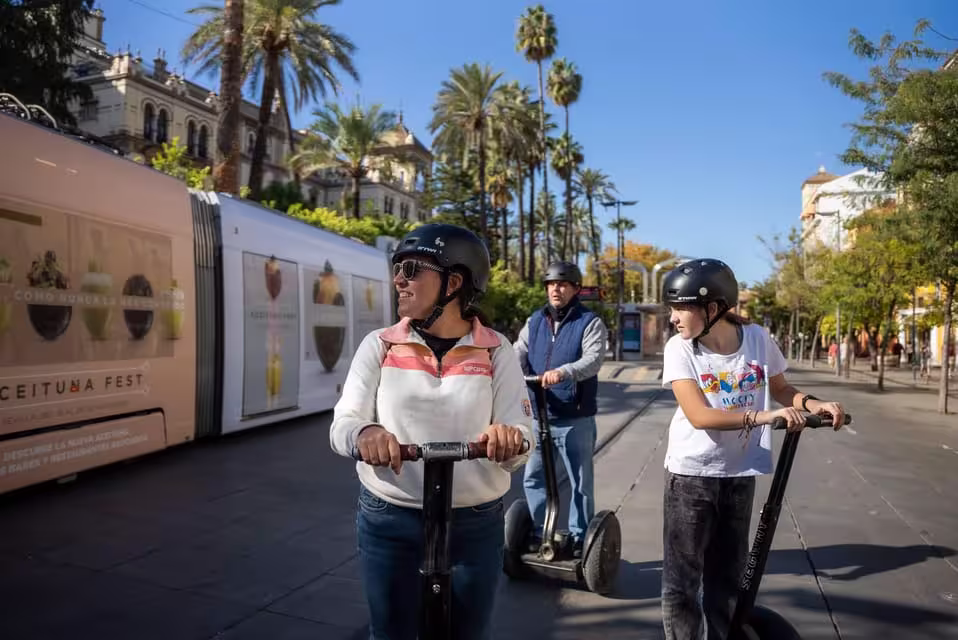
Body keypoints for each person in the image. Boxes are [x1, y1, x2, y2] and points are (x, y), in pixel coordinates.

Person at [329, 223, 533, 640]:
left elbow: (522, 438)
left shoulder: (496, 349)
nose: (398, 279)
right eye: (397, 268)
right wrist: (364, 433)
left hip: (474, 523)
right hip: (390, 516)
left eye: (413, 269)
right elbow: (343, 422)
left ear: (454, 282)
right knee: (390, 633)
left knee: (467, 633)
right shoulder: (380, 344)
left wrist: (508, 440)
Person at [659, 258, 845, 640]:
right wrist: (762, 417)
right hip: (691, 476)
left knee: (729, 580)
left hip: (738, 475)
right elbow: (698, 415)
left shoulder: (758, 339)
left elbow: (781, 389)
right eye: (671, 308)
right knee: (683, 585)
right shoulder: (680, 349)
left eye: (681, 308)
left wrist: (814, 404)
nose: (673, 318)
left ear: (713, 309)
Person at [513, 260, 608, 557]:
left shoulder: (589, 322)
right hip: (540, 415)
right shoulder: (535, 321)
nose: (556, 289)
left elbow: (593, 360)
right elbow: (519, 353)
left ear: (576, 289)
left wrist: (564, 372)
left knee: (580, 482)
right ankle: (542, 532)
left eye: (563, 284)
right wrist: (507, 370)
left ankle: (580, 538)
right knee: (534, 477)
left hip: (574, 418)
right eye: (551, 284)